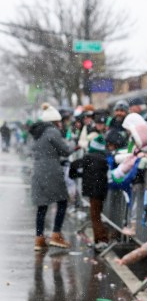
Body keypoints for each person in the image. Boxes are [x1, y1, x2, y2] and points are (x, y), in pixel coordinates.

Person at [31, 103, 73, 250]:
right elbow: (66, 150)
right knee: (62, 201)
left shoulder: (37, 133)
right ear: (55, 121)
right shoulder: (52, 132)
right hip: (51, 171)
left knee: (42, 206)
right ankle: (56, 235)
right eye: (59, 122)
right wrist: (74, 143)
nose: (60, 124)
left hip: (37, 171)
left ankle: (39, 238)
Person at [69, 135, 109, 251]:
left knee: (95, 216)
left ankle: (101, 240)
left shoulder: (88, 157)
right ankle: (99, 239)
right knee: (97, 214)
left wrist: (74, 175)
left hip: (93, 190)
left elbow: (74, 164)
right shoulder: (104, 158)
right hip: (102, 190)